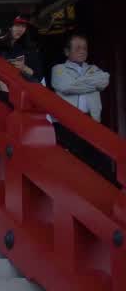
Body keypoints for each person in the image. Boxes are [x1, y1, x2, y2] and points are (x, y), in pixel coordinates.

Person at [50, 34, 115, 185]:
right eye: (77, 48)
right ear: (67, 52)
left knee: (100, 161)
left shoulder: (93, 68)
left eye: (84, 48)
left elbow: (104, 81)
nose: (82, 51)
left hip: (91, 122)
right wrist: (91, 83)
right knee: (74, 164)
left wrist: (78, 83)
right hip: (67, 124)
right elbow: (66, 87)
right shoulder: (58, 69)